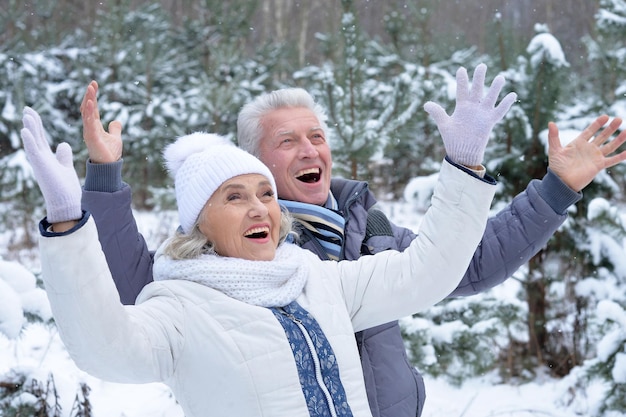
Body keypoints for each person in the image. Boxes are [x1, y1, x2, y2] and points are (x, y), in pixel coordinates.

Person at [80, 64, 626, 417]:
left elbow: (469, 263)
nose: (309, 150)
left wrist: (556, 189)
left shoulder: (369, 226)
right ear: (253, 162)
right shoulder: (232, 248)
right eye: (287, 141)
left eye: (317, 136)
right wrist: (104, 182)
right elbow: (138, 286)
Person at [21, 104, 498, 416]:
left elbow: (428, 270)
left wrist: (463, 166)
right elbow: (102, 347)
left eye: (265, 193)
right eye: (234, 197)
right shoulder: (180, 307)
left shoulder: (317, 280)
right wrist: (67, 225)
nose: (258, 208)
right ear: (200, 223)